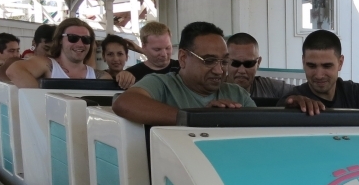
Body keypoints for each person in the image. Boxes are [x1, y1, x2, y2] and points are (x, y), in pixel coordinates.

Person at [112, 21, 256, 126]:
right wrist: (198, 118)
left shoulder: (237, 94)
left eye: (224, 61)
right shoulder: (162, 85)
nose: (219, 70)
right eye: (209, 60)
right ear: (183, 58)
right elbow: (124, 103)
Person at [5, 18, 105, 87]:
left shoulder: (100, 76)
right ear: (60, 40)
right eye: (72, 38)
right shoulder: (46, 64)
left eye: (86, 39)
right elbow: (14, 70)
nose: (80, 44)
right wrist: (42, 99)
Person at [225, 32, 293, 100]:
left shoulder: (270, 87)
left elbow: (300, 91)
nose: (242, 70)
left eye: (249, 64)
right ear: (225, 62)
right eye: (235, 63)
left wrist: (297, 98)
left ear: (259, 62)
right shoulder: (216, 90)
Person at [113, 21, 178, 89]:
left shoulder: (183, 68)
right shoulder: (131, 75)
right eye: (157, 49)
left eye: (168, 48)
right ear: (144, 46)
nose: (164, 54)